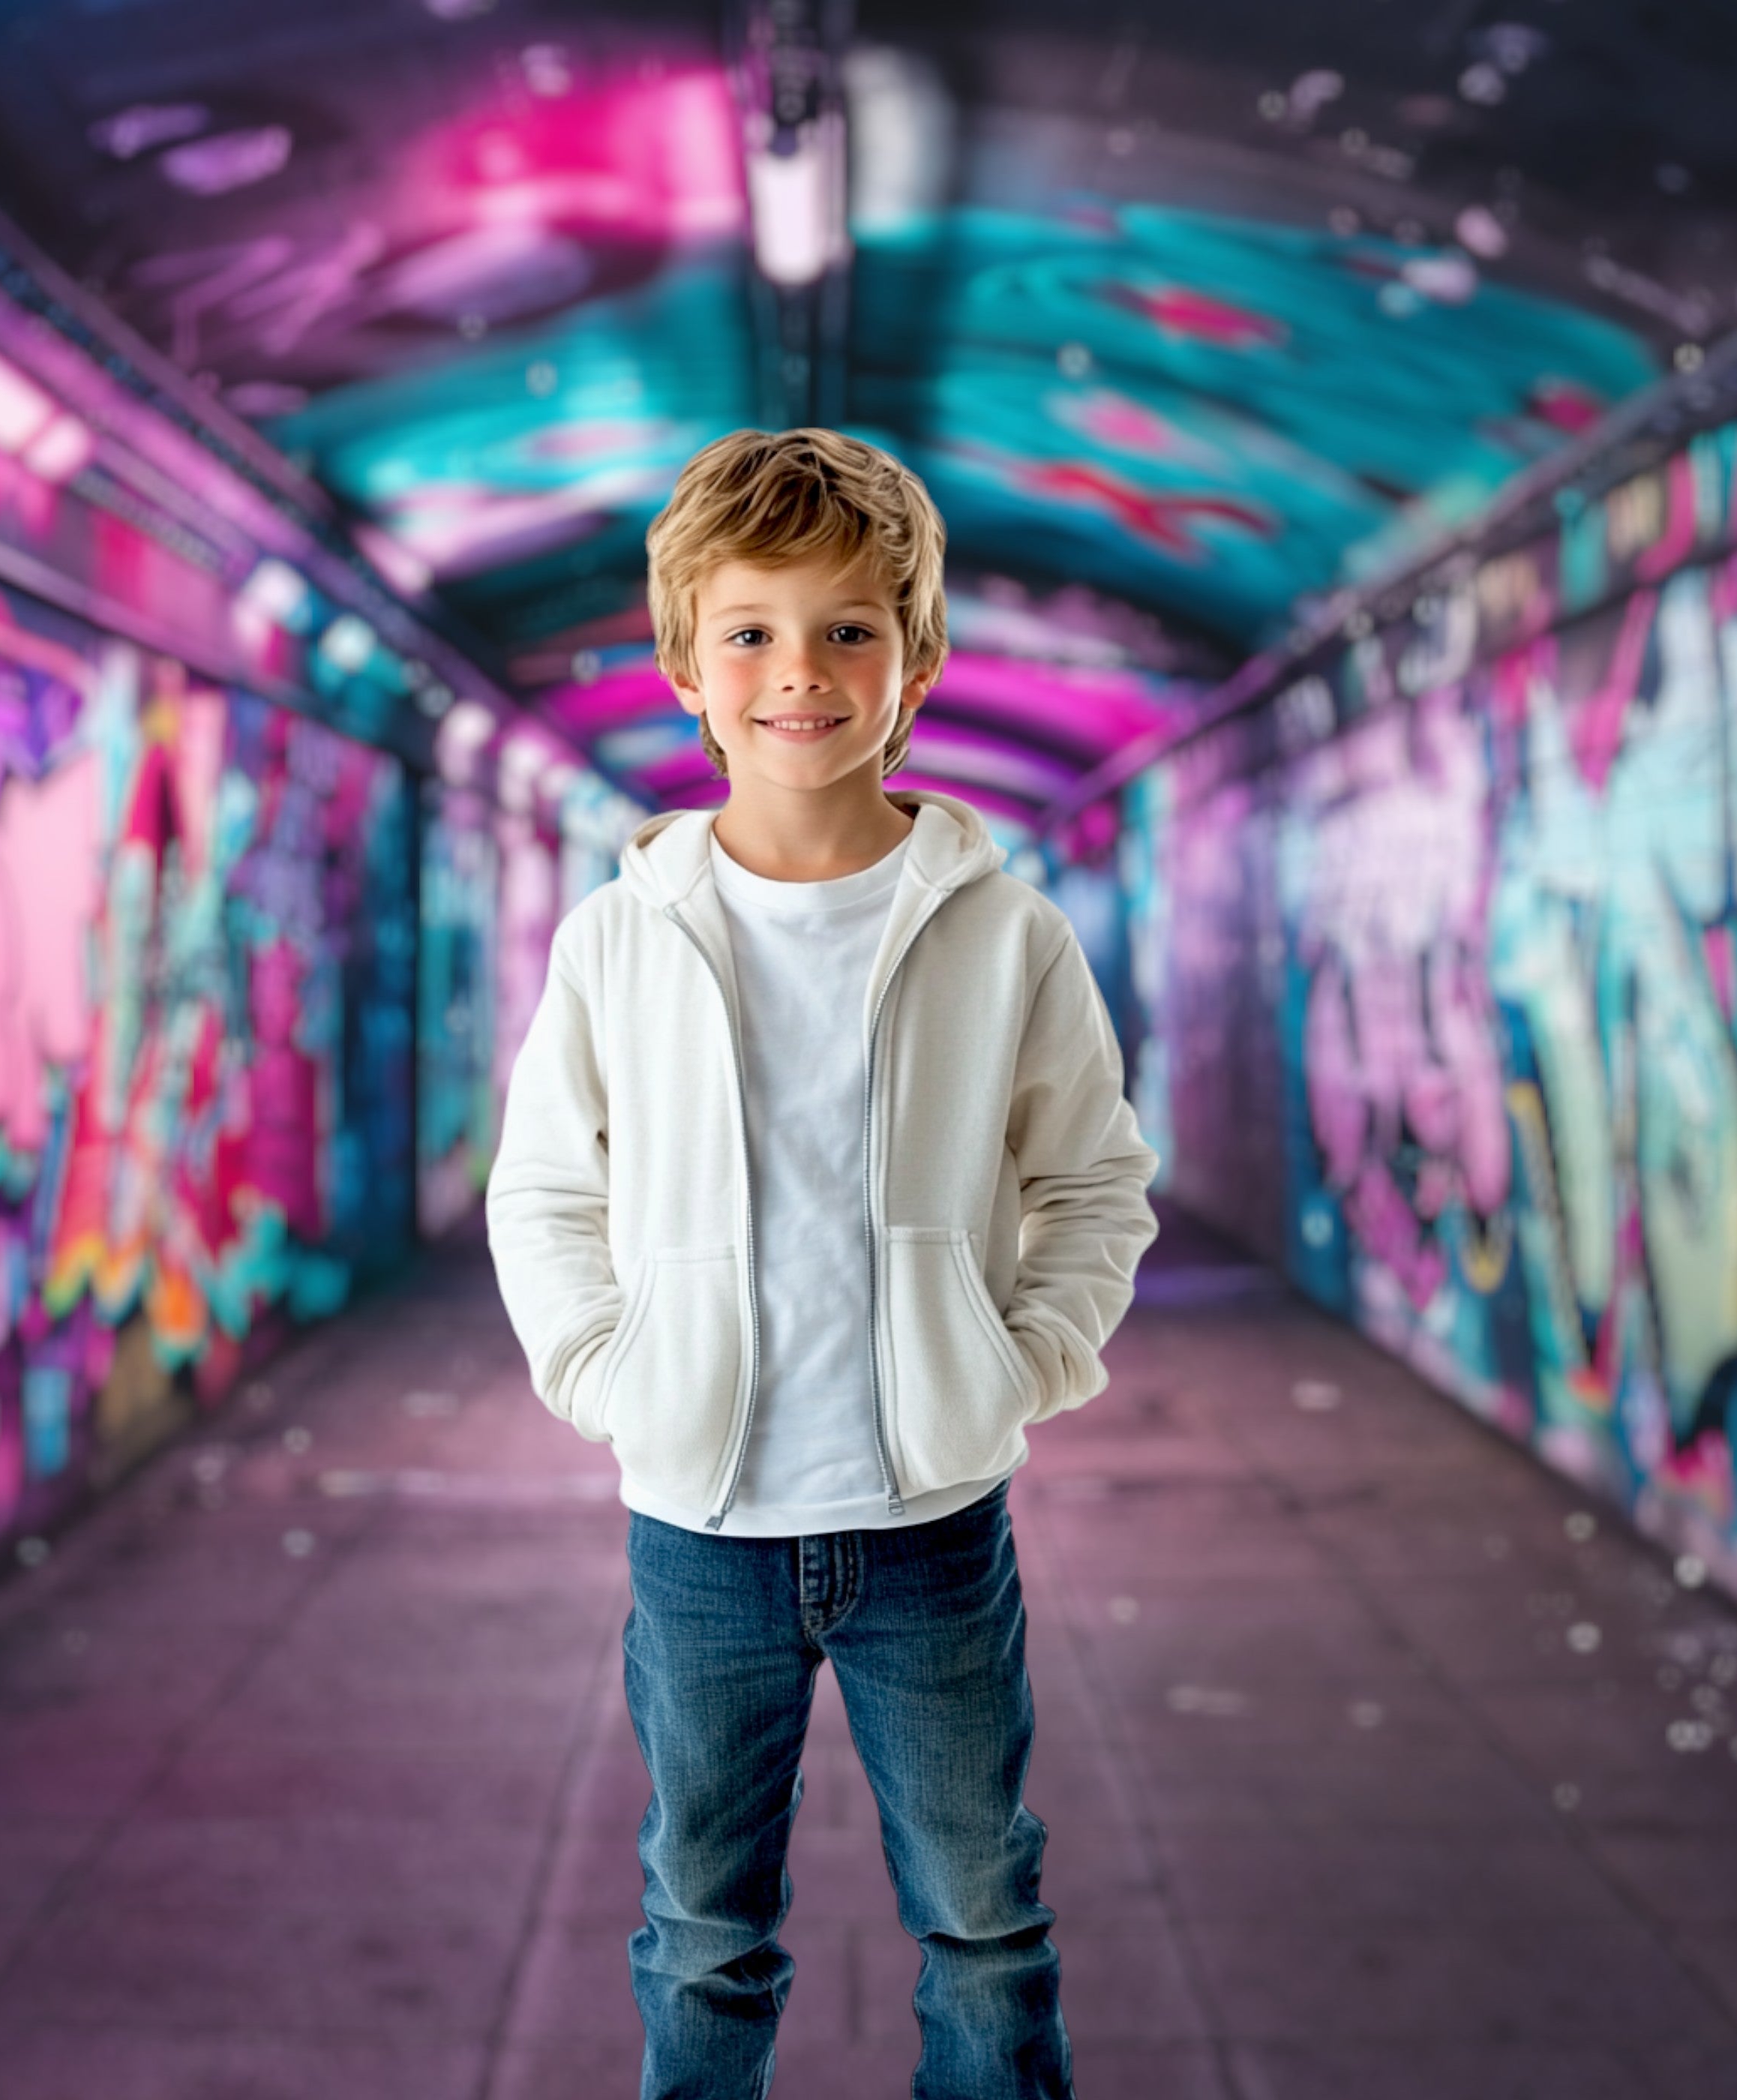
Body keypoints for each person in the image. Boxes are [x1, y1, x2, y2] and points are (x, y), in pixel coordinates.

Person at [486, 425, 1159, 2099]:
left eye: (850, 627)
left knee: (983, 1919)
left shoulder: (1001, 932)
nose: (803, 672)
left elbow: (1091, 1179)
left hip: (929, 1518)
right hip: (701, 1527)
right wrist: (602, 1369)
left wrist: (1023, 1360)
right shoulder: (617, 936)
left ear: (915, 656)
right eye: (753, 632)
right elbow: (544, 1190)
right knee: (703, 1926)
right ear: (684, 667)